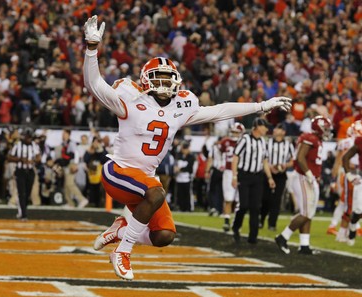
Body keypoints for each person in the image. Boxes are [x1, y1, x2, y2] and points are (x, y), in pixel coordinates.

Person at [84, 15, 291, 280]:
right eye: (158, 77)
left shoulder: (181, 107)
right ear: (146, 80)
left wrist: (261, 105)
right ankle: (123, 251)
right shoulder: (129, 98)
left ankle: (120, 230)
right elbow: (95, 84)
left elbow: (220, 111)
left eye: (168, 77)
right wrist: (92, 49)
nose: (164, 83)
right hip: (118, 171)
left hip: (146, 180)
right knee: (157, 192)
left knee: (164, 236)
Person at [275, 115, 332, 255]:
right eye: (325, 128)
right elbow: (300, 158)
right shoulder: (310, 138)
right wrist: (310, 175)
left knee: (308, 212)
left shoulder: (316, 139)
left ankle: (304, 245)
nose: (327, 131)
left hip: (309, 178)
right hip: (302, 178)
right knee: (306, 212)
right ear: (318, 127)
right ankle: (283, 237)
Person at [231, 118, 276, 244]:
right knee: (244, 205)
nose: (267, 129)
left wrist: (270, 178)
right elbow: (235, 157)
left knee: (256, 207)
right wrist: (234, 176)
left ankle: (253, 238)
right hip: (244, 175)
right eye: (265, 127)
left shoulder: (263, 141)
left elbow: (265, 161)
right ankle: (236, 227)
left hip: (257, 177)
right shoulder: (245, 139)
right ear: (257, 126)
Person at [260, 123, 295, 231]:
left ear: (283, 132)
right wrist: (269, 167)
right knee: (265, 198)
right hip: (267, 173)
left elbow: (292, 161)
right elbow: (262, 158)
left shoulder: (288, 145)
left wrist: (285, 165)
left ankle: (272, 224)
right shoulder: (267, 143)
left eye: (277, 128)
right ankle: (261, 220)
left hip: (281, 175)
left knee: (276, 200)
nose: (274, 130)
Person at [7, 128, 41, 220]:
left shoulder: (34, 145)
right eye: (28, 137)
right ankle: (23, 214)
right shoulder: (18, 145)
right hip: (20, 170)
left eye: (30, 137)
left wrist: (32, 160)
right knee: (22, 192)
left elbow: (38, 157)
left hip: (30, 171)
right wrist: (20, 159)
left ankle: (22, 210)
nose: (29, 139)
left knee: (27, 192)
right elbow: (9, 157)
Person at [218, 122, 245, 232]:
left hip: (241, 172)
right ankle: (227, 221)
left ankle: (236, 222)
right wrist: (220, 163)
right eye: (233, 132)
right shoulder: (225, 141)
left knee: (240, 200)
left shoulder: (244, 142)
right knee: (229, 198)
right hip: (229, 171)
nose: (234, 134)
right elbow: (217, 152)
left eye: (236, 132)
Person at [342, 120, 362, 246]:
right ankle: (353, 226)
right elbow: (345, 157)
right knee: (359, 211)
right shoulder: (360, 142)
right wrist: (349, 174)